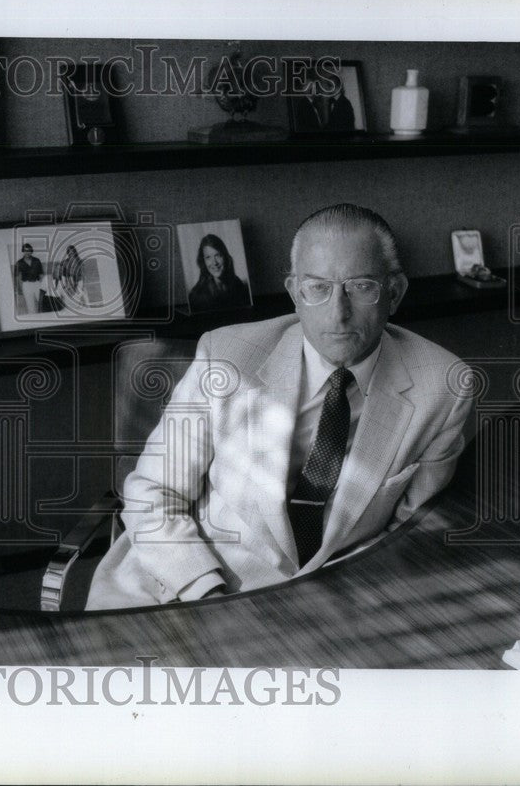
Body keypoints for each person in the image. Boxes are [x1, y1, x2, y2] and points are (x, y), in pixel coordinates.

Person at [87, 203, 473, 609]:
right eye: (317, 287)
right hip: (187, 580)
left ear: (394, 292)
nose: (337, 314)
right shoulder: (225, 357)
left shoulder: (444, 386)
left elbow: (405, 535)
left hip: (335, 602)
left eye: (360, 287)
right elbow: (153, 492)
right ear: (294, 293)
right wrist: (207, 594)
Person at [187, 233, 252, 312]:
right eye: (208, 257)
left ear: (225, 257)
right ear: (203, 261)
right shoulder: (196, 296)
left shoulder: (238, 284)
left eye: (218, 255)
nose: (214, 262)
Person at [15, 243, 45, 314]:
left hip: (37, 284)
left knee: (43, 303)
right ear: (23, 251)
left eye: (29, 250)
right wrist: (20, 288)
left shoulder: (37, 260)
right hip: (26, 285)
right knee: (30, 306)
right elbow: (17, 277)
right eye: (25, 250)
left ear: (31, 251)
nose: (27, 252)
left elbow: (41, 274)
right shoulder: (19, 263)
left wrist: (42, 285)